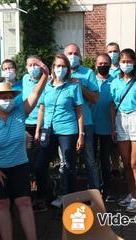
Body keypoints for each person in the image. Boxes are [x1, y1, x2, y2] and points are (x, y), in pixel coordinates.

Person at [0, 59, 49, 240]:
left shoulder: (19, 112)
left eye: (10, 97)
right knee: (1, 203)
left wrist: (45, 76)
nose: (7, 100)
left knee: (24, 201)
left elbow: (35, 93)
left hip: (19, 167)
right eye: (3, 97)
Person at [34, 54, 84, 211]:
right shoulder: (47, 86)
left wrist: (81, 134)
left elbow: (79, 111)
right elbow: (41, 108)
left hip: (67, 131)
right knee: (41, 165)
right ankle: (44, 196)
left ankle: (69, 198)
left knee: (68, 165)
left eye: (63, 66)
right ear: (53, 68)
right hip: (48, 130)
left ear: (68, 69)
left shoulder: (73, 87)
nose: (60, 69)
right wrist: (37, 130)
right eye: (57, 66)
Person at [110, 48, 136, 212]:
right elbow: (112, 106)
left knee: (135, 163)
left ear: (134, 62)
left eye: (129, 61)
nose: (126, 64)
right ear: (119, 63)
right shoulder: (115, 82)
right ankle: (130, 193)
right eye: (123, 61)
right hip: (121, 119)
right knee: (126, 163)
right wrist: (113, 126)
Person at [64, 43, 100, 194]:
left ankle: (95, 193)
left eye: (75, 53)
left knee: (90, 161)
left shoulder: (88, 73)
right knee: (65, 163)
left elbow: (95, 98)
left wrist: (80, 86)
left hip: (85, 124)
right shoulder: (58, 73)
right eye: (69, 53)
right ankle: (66, 194)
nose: (72, 56)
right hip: (65, 126)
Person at [91, 53, 114, 200]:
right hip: (90, 127)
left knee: (106, 161)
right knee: (91, 161)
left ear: (110, 65)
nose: (103, 66)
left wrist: (113, 127)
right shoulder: (90, 80)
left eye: (106, 63)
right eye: (100, 63)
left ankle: (108, 190)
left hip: (107, 127)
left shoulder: (116, 81)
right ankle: (94, 189)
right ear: (95, 65)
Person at [22, 55, 43, 190]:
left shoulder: (46, 80)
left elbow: (43, 106)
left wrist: (38, 129)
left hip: (41, 124)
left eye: (36, 65)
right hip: (26, 123)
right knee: (27, 157)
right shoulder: (25, 79)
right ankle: (30, 182)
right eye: (30, 65)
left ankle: (39, 186)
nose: (33, 68)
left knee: (40, 159)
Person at [106, 42, 121, 177]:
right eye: (110, 51)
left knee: (117, 142)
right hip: (106, 109)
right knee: (109, 140)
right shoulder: (105, 69)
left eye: (115, 51)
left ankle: (116, 167)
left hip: (120, 109)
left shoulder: (123, 68)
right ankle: (109, 166)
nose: (112, 54)